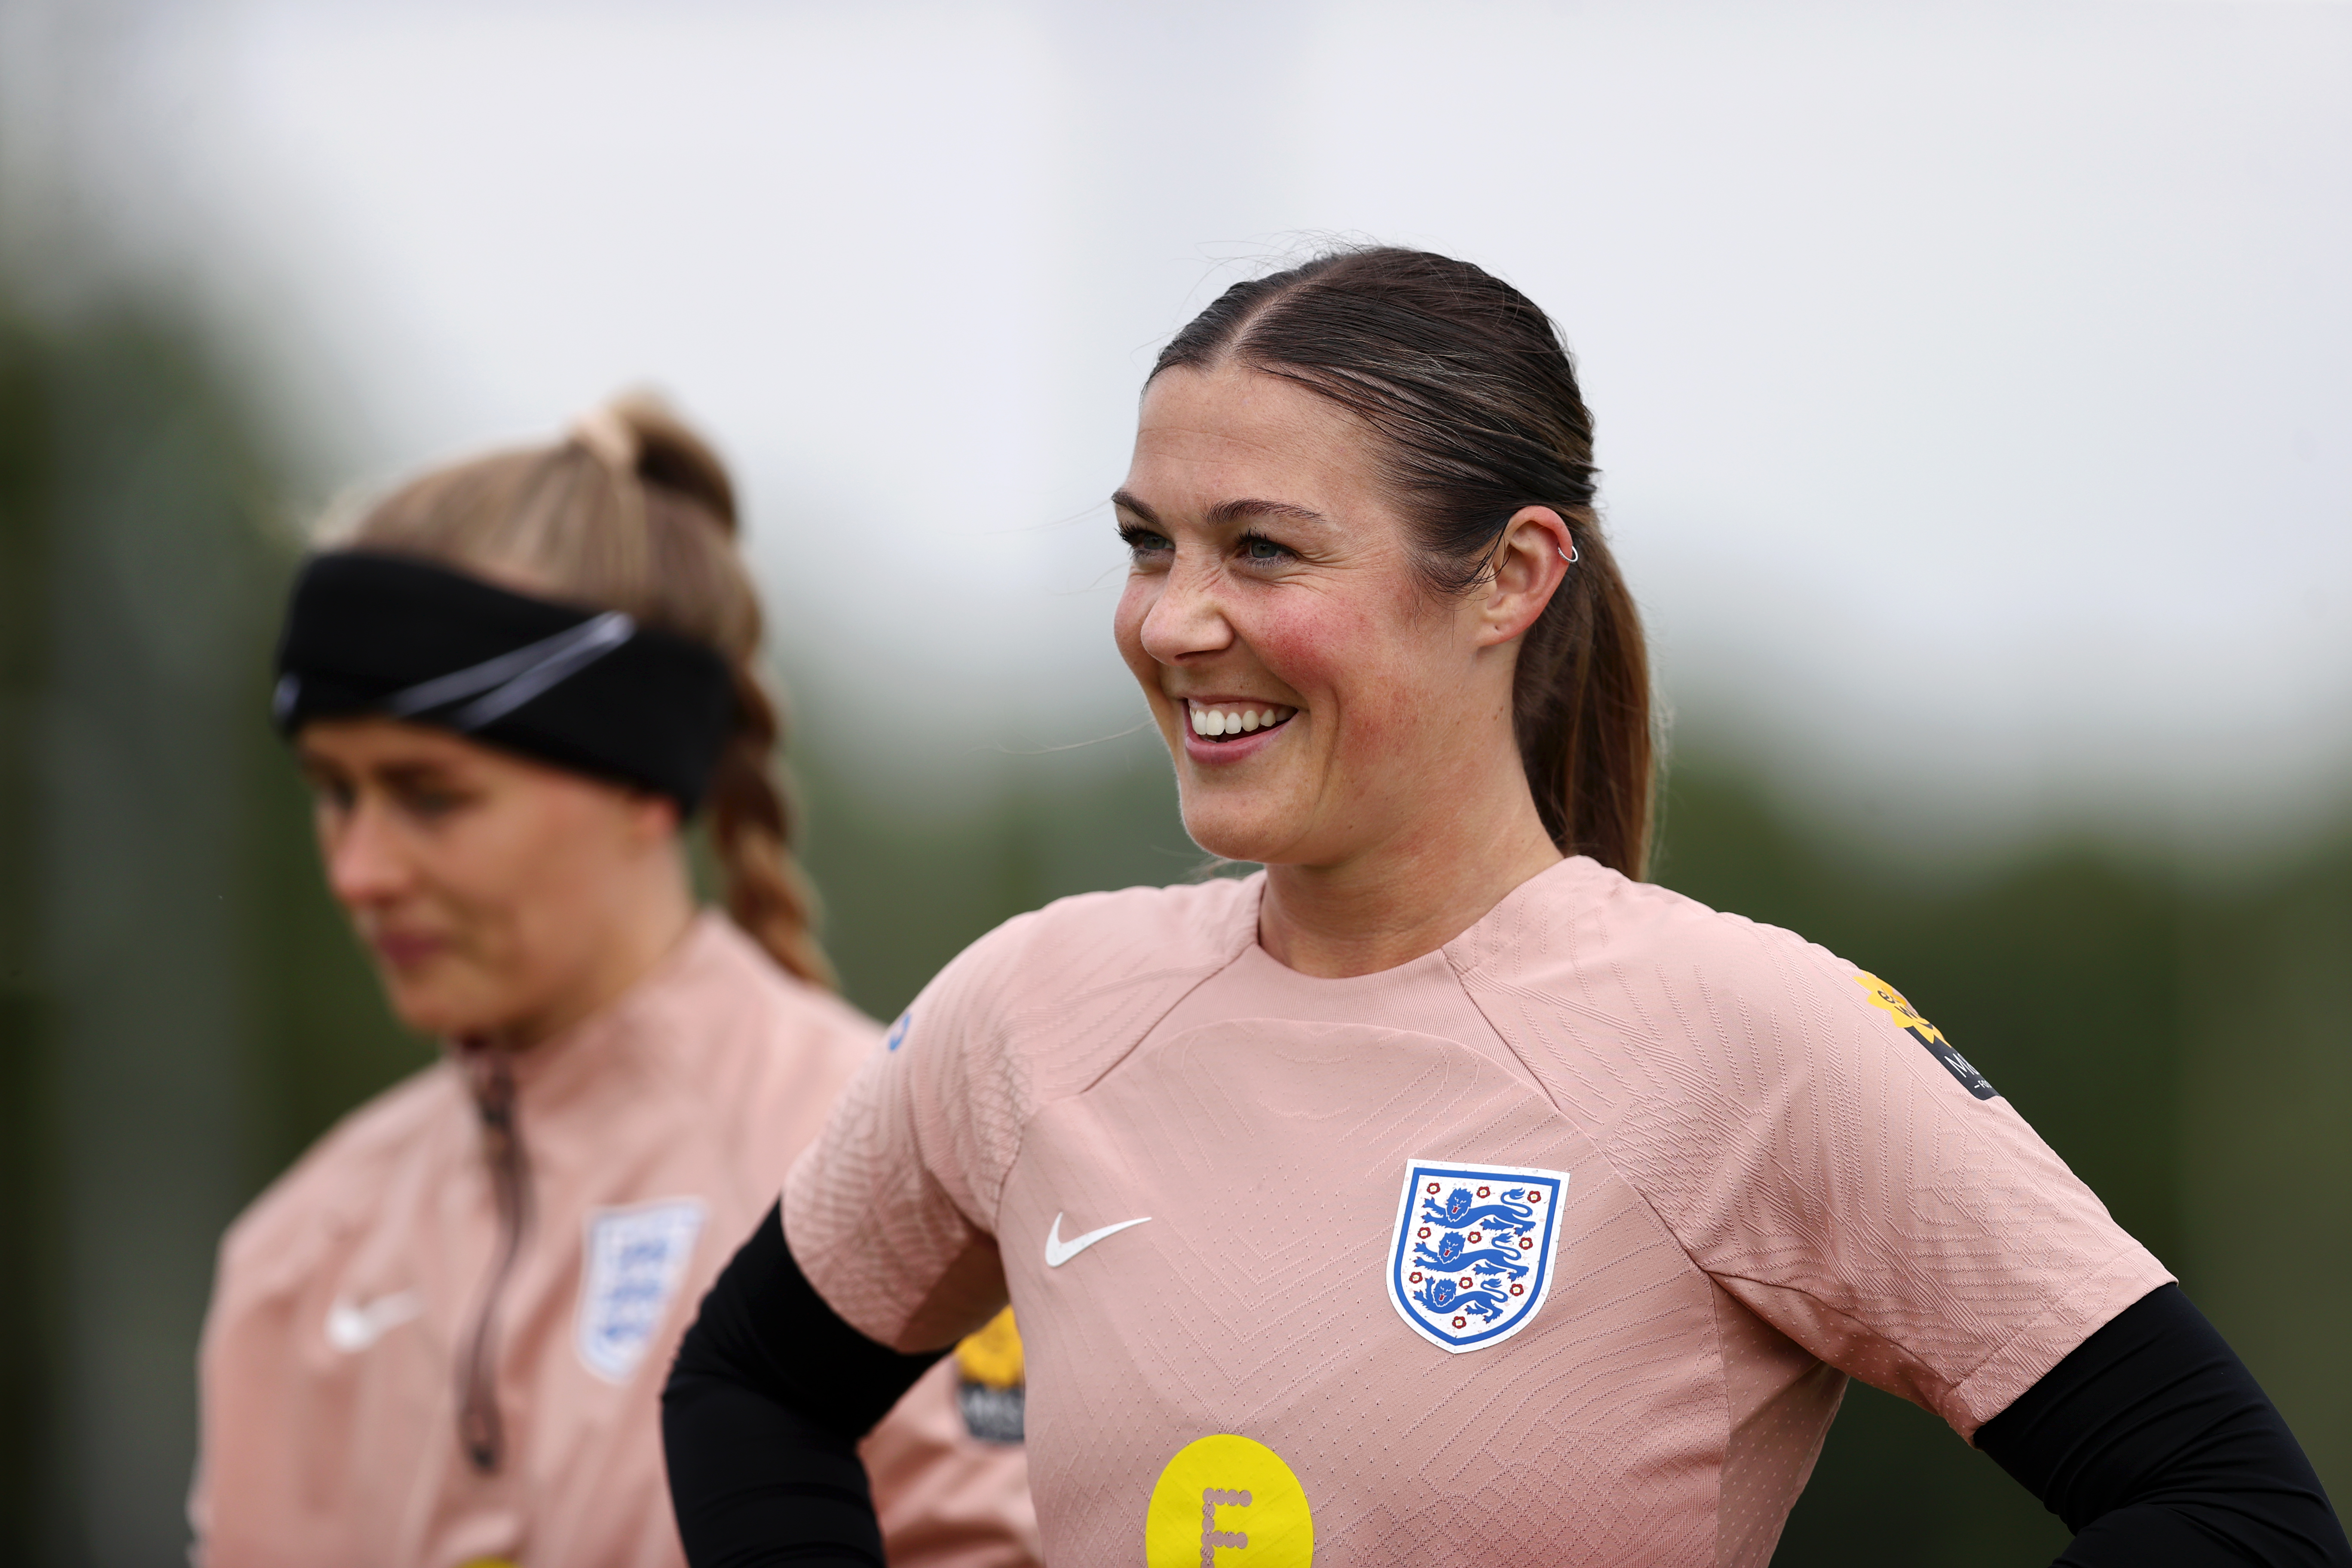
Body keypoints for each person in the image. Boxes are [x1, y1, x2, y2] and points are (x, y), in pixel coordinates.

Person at [662, 248, 2352, 1567]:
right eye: (1147, 544)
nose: (1175, 623)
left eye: (1261, 551)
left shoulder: (1747, 1034)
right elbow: (747, 1394)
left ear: (1513, 579)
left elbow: (2231, 1513)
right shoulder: (1034, 1007)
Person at [192, 398, 1039, 1568]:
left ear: (642, 783)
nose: (359, 870)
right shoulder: (296, 1259)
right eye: (334, 792)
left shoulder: (895, 1160)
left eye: (429, 795)